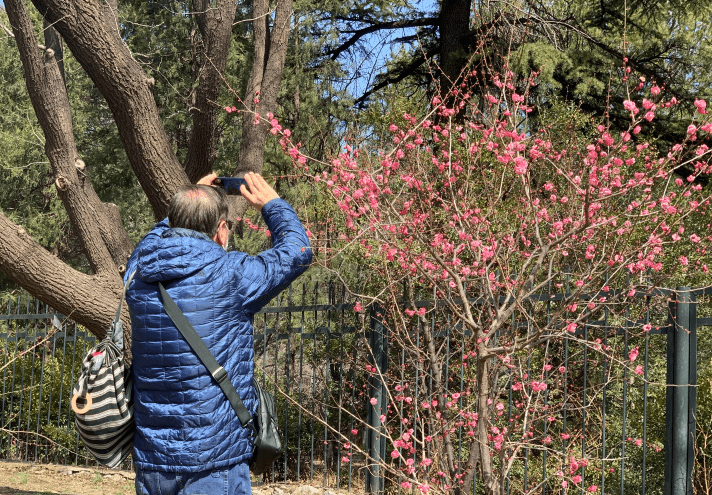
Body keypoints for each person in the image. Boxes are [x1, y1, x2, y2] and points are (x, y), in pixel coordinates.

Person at [123, 172, 312, 495]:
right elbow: (297, 250)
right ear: (221, 232)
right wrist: (273, 204)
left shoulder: (139, 274)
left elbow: (149, 244)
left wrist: (187, 206)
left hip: (153, 461)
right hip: (215, 462)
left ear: (172, 223)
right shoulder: (233, 276)